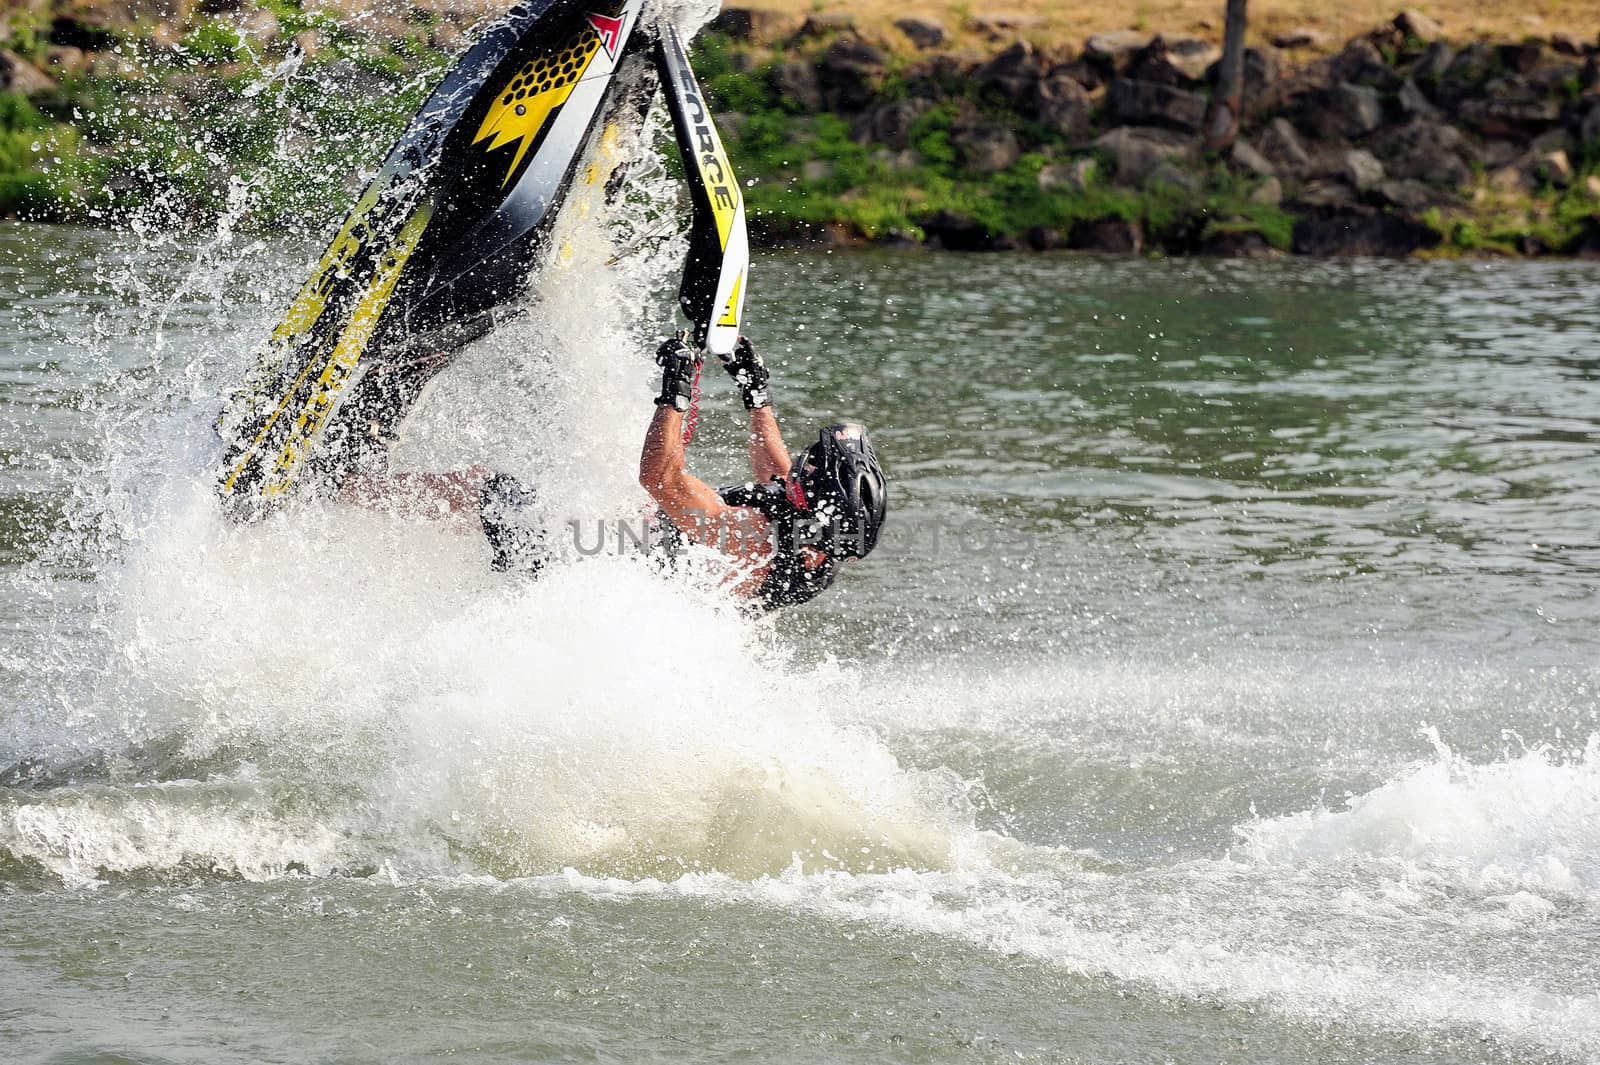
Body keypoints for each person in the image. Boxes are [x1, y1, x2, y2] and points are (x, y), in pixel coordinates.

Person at [638, 334, 888, 610]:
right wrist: (757, 393)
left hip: (637, 575)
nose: (808, 462)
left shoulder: (750, 538)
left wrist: (676, 392)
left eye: (816, 466)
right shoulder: (827, 536)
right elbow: (778, 475)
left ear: (810, 496)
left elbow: (660, 479)